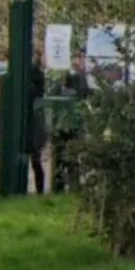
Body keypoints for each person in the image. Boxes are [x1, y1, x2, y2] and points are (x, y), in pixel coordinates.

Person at [52, 48, 91, 193]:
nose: (80, 61)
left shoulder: (83, 77)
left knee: (71, 156)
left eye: (82, 57)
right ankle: (62, 185)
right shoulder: (69, 76)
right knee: (64, 154)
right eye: (78, 57)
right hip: (66, 122)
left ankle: (70, 185)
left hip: (74, 121)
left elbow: (85, 94)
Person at [26, 49, 50, 194]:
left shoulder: (36, 75)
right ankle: (39, 191)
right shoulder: (35, 74)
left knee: (35, 159)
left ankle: (39, 190)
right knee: (35, 160)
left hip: (33, 122)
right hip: (33, 121)